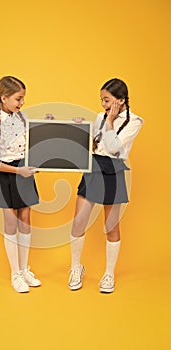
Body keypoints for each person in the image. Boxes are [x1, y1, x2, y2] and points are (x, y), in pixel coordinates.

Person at [69, 78, 144, 293]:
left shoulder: (135, 122)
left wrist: (110, 121)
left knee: (111, 227)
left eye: (107, 100)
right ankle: (76, 268)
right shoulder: (100, 117)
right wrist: (80, 128)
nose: (103, 105)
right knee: (78, 222)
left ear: (120, 100)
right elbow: (95, 143)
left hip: (113, 170)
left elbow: (114, 149)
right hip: (93, 167)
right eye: (101, 100)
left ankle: (109, 274)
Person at [0, 76, 41, 293]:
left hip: (24, 173)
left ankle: (25, 270)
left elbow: (32, 142)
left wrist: (52, 124)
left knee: (25, 220)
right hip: (8, 174)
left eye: (23, 98)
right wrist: (18, 170)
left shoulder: (22, 117)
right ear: (3, 98)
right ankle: (15, 273)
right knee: (11, 222)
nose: (21, 103)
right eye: (18, 99)